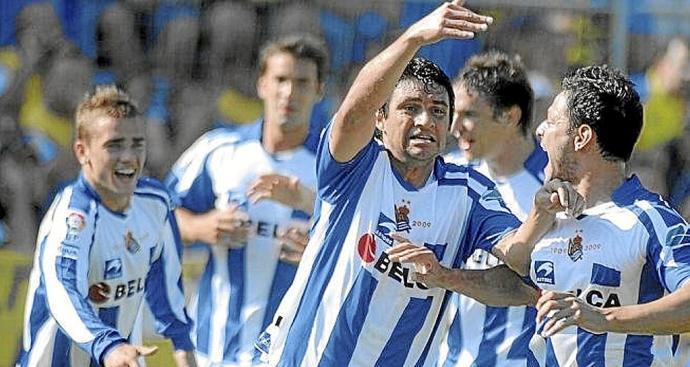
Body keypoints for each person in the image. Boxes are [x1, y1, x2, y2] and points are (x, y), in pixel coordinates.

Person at [260, 2, 583, 365]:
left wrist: (446, 275)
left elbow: (519, 273)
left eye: (439, 111)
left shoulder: (468, 191)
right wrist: (414, 37)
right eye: (410, 107)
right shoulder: (357, 166)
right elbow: (353, 112)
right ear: (381, 119)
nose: (426, 120)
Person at [392, 65, 690, 365]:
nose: (540, 131)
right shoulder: (554, 217)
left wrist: (603, 318)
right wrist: (445, 276)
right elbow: (518, 287)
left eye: (551, 122)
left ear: (581, 137)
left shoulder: (652, 220)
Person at [165, 34, 326, 366]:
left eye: (302, 82)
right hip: (211, 348)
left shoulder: (333, 169)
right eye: (280, 79)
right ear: (261, 85)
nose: (289, 92)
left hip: (290, 355)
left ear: (319, 90)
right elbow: (158, 215)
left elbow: (363, 248)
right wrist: (199, 226)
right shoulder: (219, 149)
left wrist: (321, 253)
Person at [15, 85, 196, 367]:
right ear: (82, 151)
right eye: (114, 145)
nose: (128, 156)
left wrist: (182, 345)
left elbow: (165, 280)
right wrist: (108, 346)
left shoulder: (156, 202)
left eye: (137, 144)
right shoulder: (73, 216)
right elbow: (64, 291)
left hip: (121, 358)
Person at [441, 51, 546, 366]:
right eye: (453, 114)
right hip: (450, 359)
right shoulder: (448, 173)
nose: (454, 127)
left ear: (510, 116)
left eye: (469, 115)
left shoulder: (554, 190)